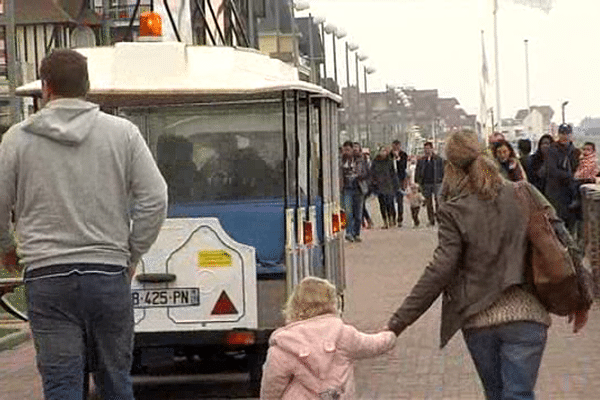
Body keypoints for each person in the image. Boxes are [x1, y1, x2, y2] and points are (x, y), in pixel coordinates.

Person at [0, 49, 168, 400]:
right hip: (107, 273)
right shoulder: (123, 134)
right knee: (114, 379)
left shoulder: (17, 139)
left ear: (45, 87)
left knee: (62, 382)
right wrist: (131, 252)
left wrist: (7, 248)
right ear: (87, 87)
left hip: (48, 277)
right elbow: (155, 198)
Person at [387, 129, 588, 400]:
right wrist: (582, 298)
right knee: (519, 394)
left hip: (477, 318)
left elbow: (439, 270)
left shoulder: (453, 210)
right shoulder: (523, 192)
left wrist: (397, 323)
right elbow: (565, 242)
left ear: (451, 168)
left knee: (495, 394)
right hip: (527, 314)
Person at [260, 276, 396, 399]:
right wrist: (391, 333)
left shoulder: (284, 345)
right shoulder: (343, 334)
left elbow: (272, 385)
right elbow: (373, 345)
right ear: (332, 303)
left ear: (294, 304)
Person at [544, 123, 580, 233]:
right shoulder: (552, 150)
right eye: (562, 134)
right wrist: (571, 176)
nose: (565, 136)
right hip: (557, 193)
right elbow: (552, 170)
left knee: (572, 226)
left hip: (571, 194)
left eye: (567, 133)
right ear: (558, 135)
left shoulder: (575, 151)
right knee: (558, 227)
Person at [340, 141, 368, 242]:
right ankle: (349, 232)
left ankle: (356, 233)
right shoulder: (341, 161)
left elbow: (366, 173)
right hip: (347, 189)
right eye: (344, 150)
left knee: (358, 213)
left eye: (348, 150)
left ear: (352, 150)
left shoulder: (360, 160)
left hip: (358, 189)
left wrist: (357, 176)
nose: (346, 152)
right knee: (348, 212)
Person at [415, 142, 444, 226]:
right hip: (426, 183)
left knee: (438, 201)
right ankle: (431, 220)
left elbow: (443, 170)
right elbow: (418, 172)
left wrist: (443, 180)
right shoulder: (421, 160)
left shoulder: (438, 159)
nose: (426, 150)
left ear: (432, 149)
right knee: (428, 203)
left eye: (428, 148)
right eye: (425, 149)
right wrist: (418, 183)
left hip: (437, 183)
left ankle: (439, 219)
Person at [370, 146, 400, 229]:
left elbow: (393, 173)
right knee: (382, 204)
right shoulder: (375, 161)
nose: (383, 152)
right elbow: (372, 173)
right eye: (381, 151)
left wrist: (396, 185)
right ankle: (385, 221)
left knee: (390, 203)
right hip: (379, 186)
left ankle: (392, 219)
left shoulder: (389, 161)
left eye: (385, 151)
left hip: (389, 185)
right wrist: (373, 183)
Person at [391, 140, 408, 227]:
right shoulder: (389, 155)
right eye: (394, 147)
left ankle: (400, 219)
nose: (396, 148)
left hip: (400, 180)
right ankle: (392, 218)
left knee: (400, 200)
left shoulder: (403, 155)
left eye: (397, 147)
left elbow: (403, 167)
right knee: (390, 201)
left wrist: (398, 158)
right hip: (390, 181)